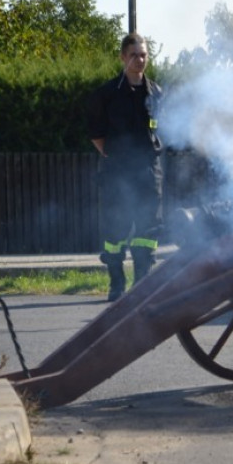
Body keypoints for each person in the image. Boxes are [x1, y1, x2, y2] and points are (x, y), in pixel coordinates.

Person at [86, 33, 165, 302]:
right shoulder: (106, 94)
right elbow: (96, 133)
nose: (139, 60)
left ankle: (142, 286)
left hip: (148, 171)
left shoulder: (156, 92)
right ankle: (116, 284)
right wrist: (112, 155)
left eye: (143, 54)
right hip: (117, 173)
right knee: (115, 231)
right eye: (134, 55)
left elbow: (158, 128)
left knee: (148, 230)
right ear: (122, 57)